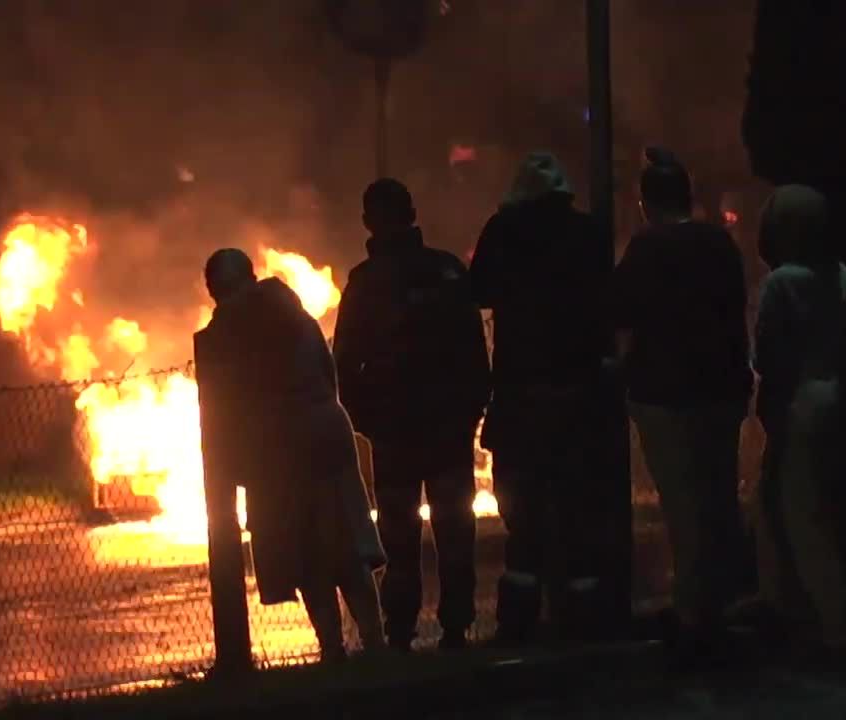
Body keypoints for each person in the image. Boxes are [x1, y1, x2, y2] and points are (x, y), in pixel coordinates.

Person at [195, 248, 385, 663]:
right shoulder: (295, 315)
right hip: (326, 437)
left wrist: (242, 461)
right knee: (346, 546)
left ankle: (333, 649)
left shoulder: (227, 333)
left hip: (278, 455)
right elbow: (327, 374)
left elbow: (231, 406)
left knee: (307, 556)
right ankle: (375, 642)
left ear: (215, 288)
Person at [470, 151, 624, 645]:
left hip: (520, 395)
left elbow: (479, 291)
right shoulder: (586, 232)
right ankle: (586, 619)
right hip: (581, 394)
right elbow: (608, 296)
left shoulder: (504, 229)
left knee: (523, 514)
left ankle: (518, 623)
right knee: (580, 509)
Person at [333, 179, 491, 652]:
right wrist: (470, 410)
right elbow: (473, 350)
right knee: (454, 526)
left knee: (398, 535)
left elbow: (344, 361)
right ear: (413, 212)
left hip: (395, 432)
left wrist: (367, 419)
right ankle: (456, 628)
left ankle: (399, 629)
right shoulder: (445, 270)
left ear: (368, 222)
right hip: (445, 427)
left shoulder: (365, 282)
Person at [614, 148, 753, 664]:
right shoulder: (718, 244)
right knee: (717, 494)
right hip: (720, 388)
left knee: (683, 503)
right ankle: (720, 602)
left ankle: (696, 619)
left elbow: (620, 309)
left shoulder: (647, 250)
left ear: (646, 203)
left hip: (666, 394)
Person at [752, 184, 846, 658]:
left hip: (797, 405)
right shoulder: (842, 277)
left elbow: (766, 354)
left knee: (803, 516)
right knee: (780, 502)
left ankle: (834, 629)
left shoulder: (781, 283)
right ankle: (779, 602)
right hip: (834, 398)